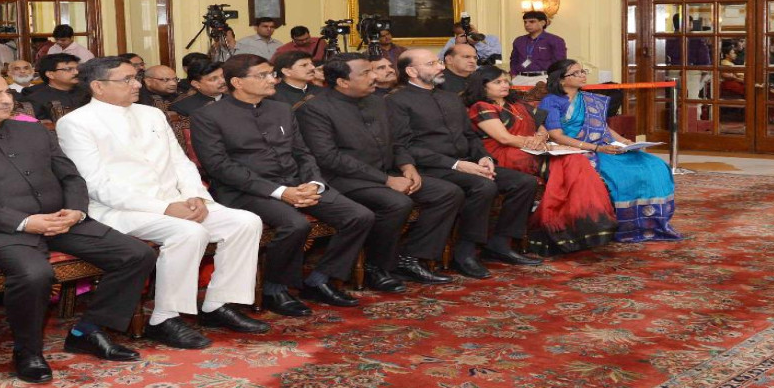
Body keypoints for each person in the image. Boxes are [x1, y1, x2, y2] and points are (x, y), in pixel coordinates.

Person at [0, 70, 158, 383]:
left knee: (137, 254)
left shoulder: (33, 131)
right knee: (34, 273)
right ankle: (27, 351)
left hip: (59, 219)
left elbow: (70, 176)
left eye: (6, 92)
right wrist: (24, 222)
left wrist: (75, 210)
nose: (6, 99)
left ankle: (88, 330)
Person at [57, 57, 268, 349]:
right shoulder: (76, 123)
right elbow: (96, 184)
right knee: (188, 232)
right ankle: (165, 319)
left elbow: (180, 162)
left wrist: (196, 195)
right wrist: (165, 208)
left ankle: (218, 305)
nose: (136, 84)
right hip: (121, 210)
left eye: (136, 77)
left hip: (176, 199)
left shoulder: (152, 114)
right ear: (98, 86)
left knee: (245, 222)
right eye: (126, 79)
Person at [190, 54, 375, 316]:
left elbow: (302, 153)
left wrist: (314, 183)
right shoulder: (208, 116)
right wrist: (280, 192)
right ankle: (274, 288)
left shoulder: (281, 109)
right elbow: (220, 167)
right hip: (245, 190)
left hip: (296, 183)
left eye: (272, 74)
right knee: (295, 224)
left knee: (359, 215)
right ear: (237, 82)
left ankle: (320, 279)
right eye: (263, 75)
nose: (272, 80)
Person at [296, 54, 462, 290]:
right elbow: (329, 158)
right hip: (344, 179)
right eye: (366, 73)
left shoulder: (377, 101)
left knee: (447, 192)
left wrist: (407, 166)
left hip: (386, 172)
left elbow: (396, 141)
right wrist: (386, 180)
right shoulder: (314, 109)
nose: (374, 76)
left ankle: (410, 258)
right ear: (343, 82)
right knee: (396, 203)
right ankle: (376, 266)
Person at [386, 49, 540, 278]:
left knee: (525, 182)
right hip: (428, 167)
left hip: (466, 163)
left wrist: (484, 157)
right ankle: (464, 253)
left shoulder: (450, 98)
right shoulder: (396, 101)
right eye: (432, 64)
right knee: (483, 186)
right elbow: (403, 146)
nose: (440, 67)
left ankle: (499, 244)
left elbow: (470, 135)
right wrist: (457, 164)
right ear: (411, 71)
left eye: (439, 62)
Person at [462, 66, 616, 255]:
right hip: (503, 153)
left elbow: (541, 125)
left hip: (530, 149)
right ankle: (556, 227)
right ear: (483, 86)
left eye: (506, 81)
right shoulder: (481, 106)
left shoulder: (516, 103)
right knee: (565, 165)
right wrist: (539, 145)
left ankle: (586, 223)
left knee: (577, 160)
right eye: (498, 82)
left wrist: (541, 137)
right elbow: (504, 138)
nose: (505, 85)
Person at [540, 59, 682, 243]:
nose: (582, 75)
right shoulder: (551, 101)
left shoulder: (589, 99)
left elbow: (603, 128)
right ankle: (623, 225)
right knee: (619, 173)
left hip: (602, 145)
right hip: (577, 150)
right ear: (560, 79)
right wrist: (597, 148)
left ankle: (652, 223)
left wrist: (623, 141)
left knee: (653, 164)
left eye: (583, 71)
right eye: (576, 73)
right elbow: (556, 135)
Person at [510, 11, 567, 86]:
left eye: (532, 22)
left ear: (543, 23)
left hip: (544, 78)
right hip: (520, 78)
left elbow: (559, 63)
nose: (527, 24)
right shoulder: (519, 40)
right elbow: (514, 60)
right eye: (525, 22)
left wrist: (555, 79)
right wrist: (513, 75)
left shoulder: (555, 40)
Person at [22, 53, 86, 120]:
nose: (76, 72)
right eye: (68, 69)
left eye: (78, 68)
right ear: (50, 74)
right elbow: (24, 122)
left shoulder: (87, 92)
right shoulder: (35, 99)